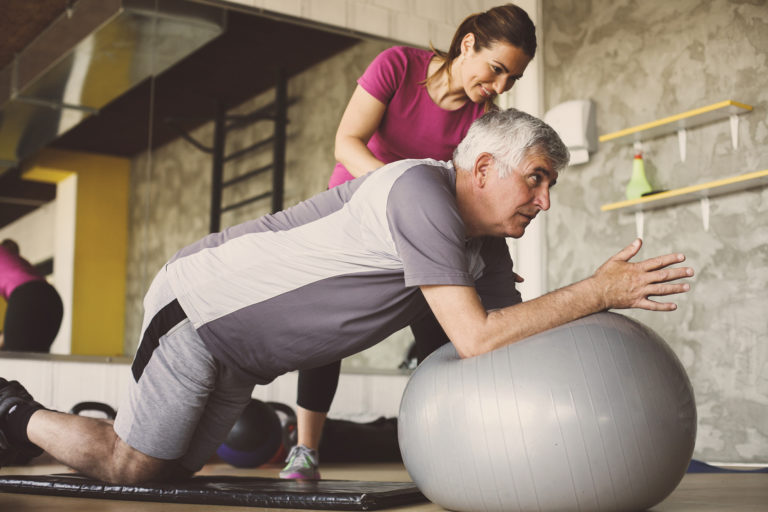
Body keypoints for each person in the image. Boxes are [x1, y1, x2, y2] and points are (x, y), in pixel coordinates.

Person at [0, 109, 693, 483]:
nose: (544, 201)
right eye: (537, 180)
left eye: (550, 188)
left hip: (242, 357)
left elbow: (508, 330)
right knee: (131, 467)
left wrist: (595, 299)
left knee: (172, 472)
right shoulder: (421, 193)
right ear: (484, 167)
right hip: (201, 310)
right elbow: (476, 337)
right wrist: (599, 291)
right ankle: (12, 407)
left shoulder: (483, 248)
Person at [286, 3, 538, 479]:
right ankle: (305, 450)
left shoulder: (483, 121)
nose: (500, 87)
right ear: (468, 44)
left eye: (513, 79)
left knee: (442, 337)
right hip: (356, 212)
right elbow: (347, 142)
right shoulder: (397, 66)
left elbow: (473, 199)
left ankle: (445, 451)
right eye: (497, 70)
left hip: (422, 231)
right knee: (327, 336)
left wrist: (488, 264)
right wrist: (404, 198)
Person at [0, 239, 63, 352]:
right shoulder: (18, 262)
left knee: (15, 359)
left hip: (28, 297)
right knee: (34, 358)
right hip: (52, 300)